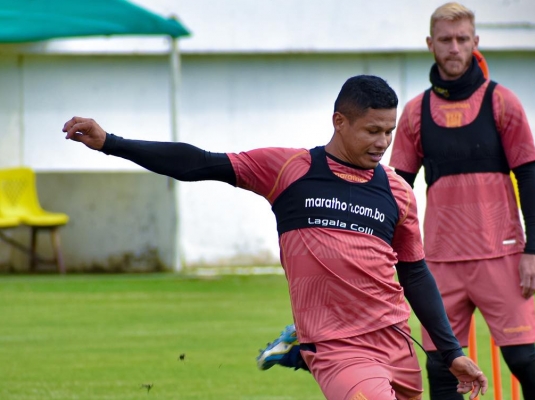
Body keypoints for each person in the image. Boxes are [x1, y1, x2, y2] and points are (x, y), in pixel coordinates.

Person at [62, 75, 488, 400]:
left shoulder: (397, 190)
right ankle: (305, 346)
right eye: (372, 131)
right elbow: (199, 163)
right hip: (337, 346)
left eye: (389, 131)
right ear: (339, 122)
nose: (382, 143)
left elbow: (415, 275)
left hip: (395, 340)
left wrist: (451, 352)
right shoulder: (289, 170)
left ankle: (295, 348)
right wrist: (111, 143)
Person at [258, 3, 535, 400]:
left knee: (522, 359)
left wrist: (533, 249)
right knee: (440, 366)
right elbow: (390, 186)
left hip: (500, 254)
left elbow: (529, 177)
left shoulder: (503, 104)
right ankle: (312, 346)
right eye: (446, 40)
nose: (454, 48)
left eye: (462, 39)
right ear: (431, 44)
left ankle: (306, 349)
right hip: (439, 258)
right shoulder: (414, 113)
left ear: (476, 43)